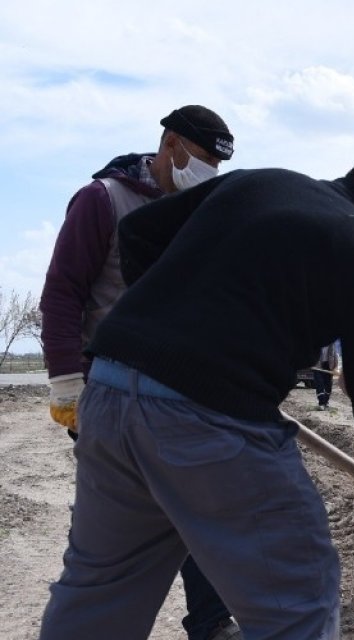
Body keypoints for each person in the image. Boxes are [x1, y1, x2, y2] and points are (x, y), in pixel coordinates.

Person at [38, 150, 354, 639]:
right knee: (299, 594)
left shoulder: (257, 183)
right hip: (205, 423)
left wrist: (167, 321)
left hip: (112, 390)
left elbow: (138, 231)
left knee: (102, 588)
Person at [38, 105, 242, 640]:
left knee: (201, 509)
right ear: (170, 143)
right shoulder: (103, 200)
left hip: (182, 392)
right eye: (198, 161)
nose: (205, 175)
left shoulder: (201, 208)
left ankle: (212, 622)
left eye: (214, 169)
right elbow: (62, 294)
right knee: (113, 525)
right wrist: (66, 383)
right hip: (109, 389)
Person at [314, 342, 339, 409]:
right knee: (319, 384)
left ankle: (326, 402)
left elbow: (335, 354)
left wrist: (335, 367)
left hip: (329, 366)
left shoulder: (332, 343)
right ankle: (321, 403)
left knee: (328, 386)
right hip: (317, 365)